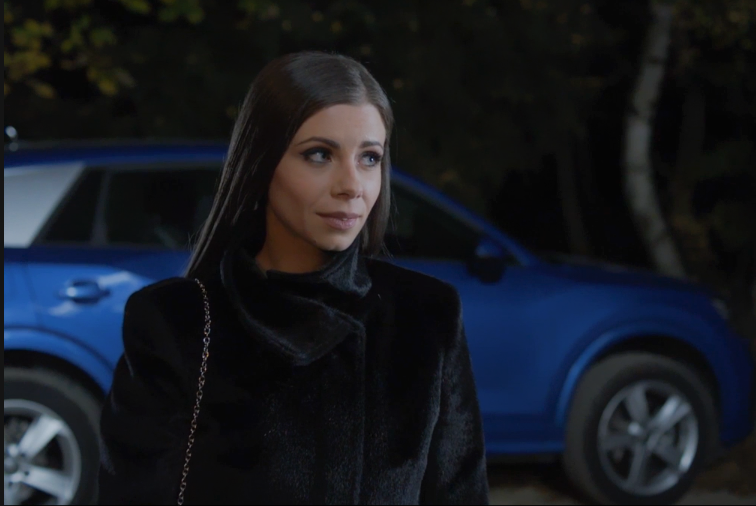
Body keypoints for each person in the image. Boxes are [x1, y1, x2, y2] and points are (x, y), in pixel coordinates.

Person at [97, 51, 489, 505]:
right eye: (319, 155)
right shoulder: (176, 321)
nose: (351, 185)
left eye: (369, 158)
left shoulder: (427, 315)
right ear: (261, 163)